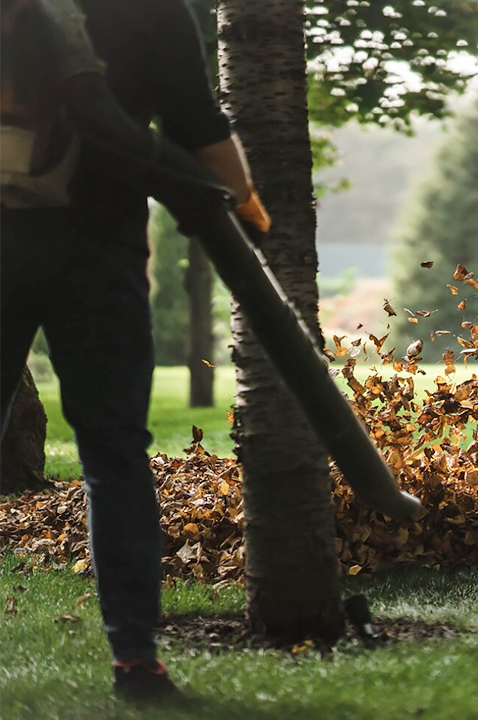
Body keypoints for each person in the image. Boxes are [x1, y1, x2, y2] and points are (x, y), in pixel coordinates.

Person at [0, 0, 269, 702]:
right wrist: (242, 201)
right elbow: (196, 123)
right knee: (114, 454)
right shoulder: (150, 9)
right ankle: (135, 661)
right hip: (100, 256)